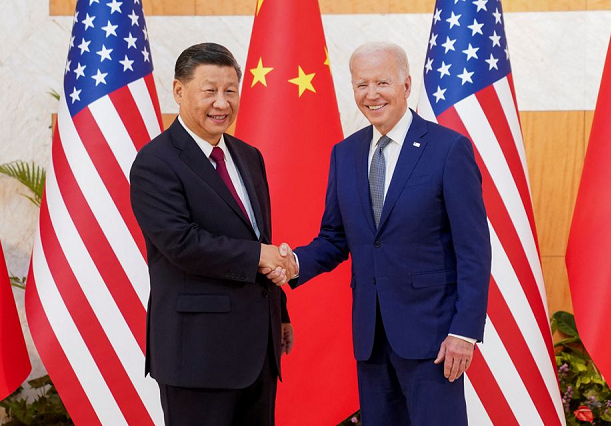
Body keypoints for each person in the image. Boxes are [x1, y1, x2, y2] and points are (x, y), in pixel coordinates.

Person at [265, 42, 491, 425]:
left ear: (405, 85)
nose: (371, 94)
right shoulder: (345, 153)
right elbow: (336, 237)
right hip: (370, 338)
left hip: (433, 338)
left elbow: (474, 250)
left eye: (382, 82)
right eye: (361, 84)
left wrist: (464, 332)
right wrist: (294, 263)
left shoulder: (448, 149)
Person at [130, 43, 293, 426]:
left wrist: (279, 312)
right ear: (179, 91)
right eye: (209, 91)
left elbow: (258, 235)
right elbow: (180, 244)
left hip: (259, 352)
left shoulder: (248, 155)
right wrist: (257, 256)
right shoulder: (155, 162)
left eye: (230, 91)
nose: (222, 103)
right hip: (197, 356)